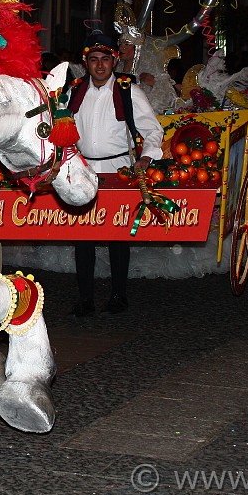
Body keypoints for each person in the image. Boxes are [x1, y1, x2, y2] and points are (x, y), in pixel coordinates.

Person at [67, 32, 163, 316]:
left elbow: (152, 128)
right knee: (82, 236)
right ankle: (85, 298)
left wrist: (147, 157)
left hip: (118, 169)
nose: (99, 65)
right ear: (86, 62)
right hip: (83, 169)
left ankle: (119, 294)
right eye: (94, 60)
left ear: (114, 61)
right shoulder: (74, 92)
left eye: (105, 60)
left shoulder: (128, 91)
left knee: (117, 234)